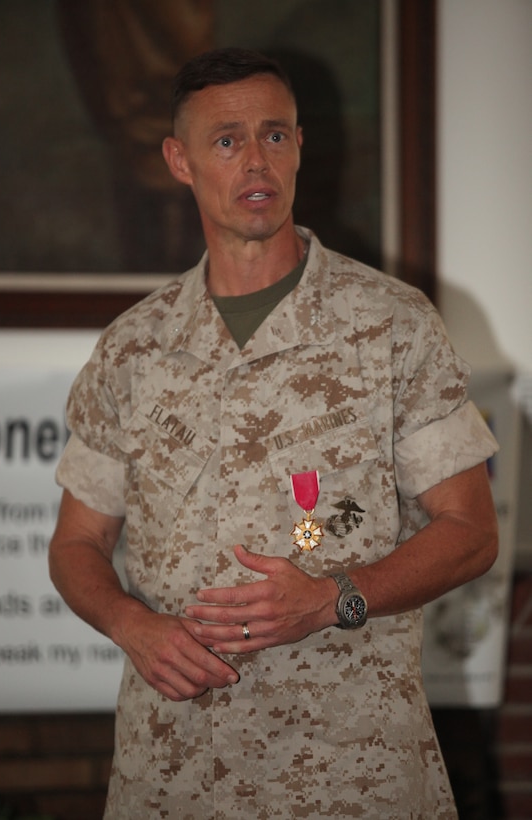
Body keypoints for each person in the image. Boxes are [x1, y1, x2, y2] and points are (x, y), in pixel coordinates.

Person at [49, 47, 499, 819]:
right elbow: (75, 543)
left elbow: (468, 530)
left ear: (298, 148)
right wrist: (131, 624)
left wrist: (333, 600)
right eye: (226, 140)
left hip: (351, 773)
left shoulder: (390, 324)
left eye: (275, 135)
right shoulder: (133, 348)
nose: (255, 159)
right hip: (175, 773)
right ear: (178, 160)